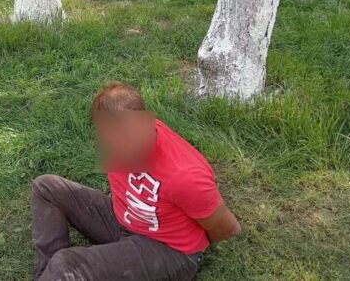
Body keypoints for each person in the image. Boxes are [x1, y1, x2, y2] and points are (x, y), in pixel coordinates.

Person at [31, 83, 241, 280]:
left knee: (67, 264)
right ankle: (47, 274)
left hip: (167, 249)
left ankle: (59, 273)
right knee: (46, 187)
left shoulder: (186, 176)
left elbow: (227, 228)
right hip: (126, 219)